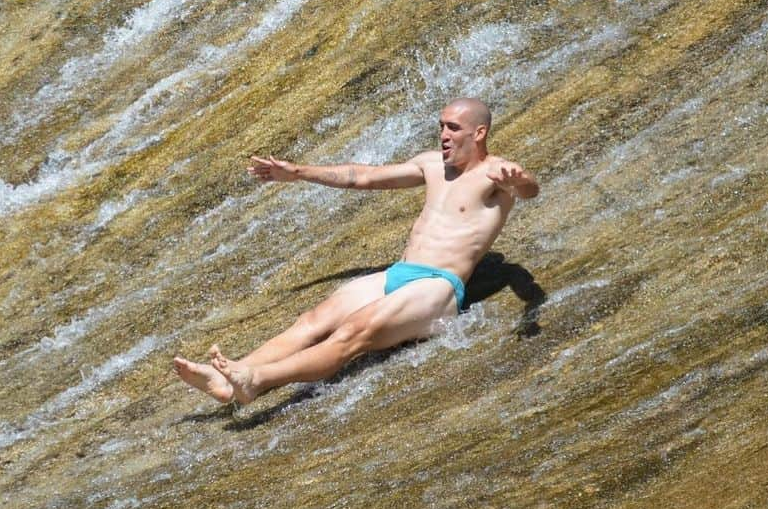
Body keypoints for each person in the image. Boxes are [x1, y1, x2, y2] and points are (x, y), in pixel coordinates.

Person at [174, 97, 538, 405]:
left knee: (352, 333)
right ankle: (228, 379)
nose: (444, 135)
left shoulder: (497, 176)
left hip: (438, 288)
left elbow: (529, 189)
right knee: (313, 320)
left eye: (453, 128)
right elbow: (362, 177)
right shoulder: (432, 165)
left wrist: (519, 181)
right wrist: (299, 172)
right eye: (442, 126)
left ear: (479, 133)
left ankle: (257, 380)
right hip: (402, 273)